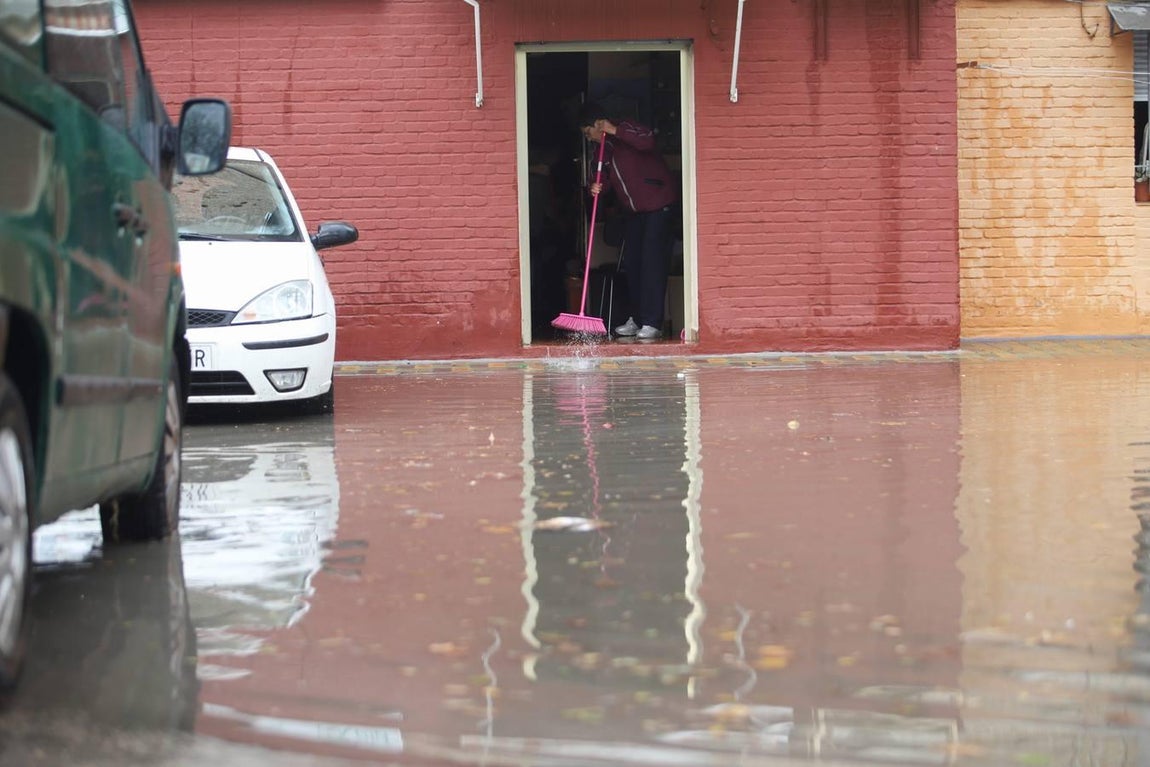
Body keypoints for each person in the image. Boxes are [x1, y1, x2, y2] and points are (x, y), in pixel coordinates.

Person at [578, 102, 678, 340]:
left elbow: (648, 141)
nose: (588, 138)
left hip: (658, 205)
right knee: (632, 264)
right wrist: (596, 186)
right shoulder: (602, 151)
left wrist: (614, 130)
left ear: (598, 124)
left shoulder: (626, 129)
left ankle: (653, 322)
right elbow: (601, 176)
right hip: (634, 212)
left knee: (652, 264)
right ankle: (637, 317)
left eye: (587, 132)